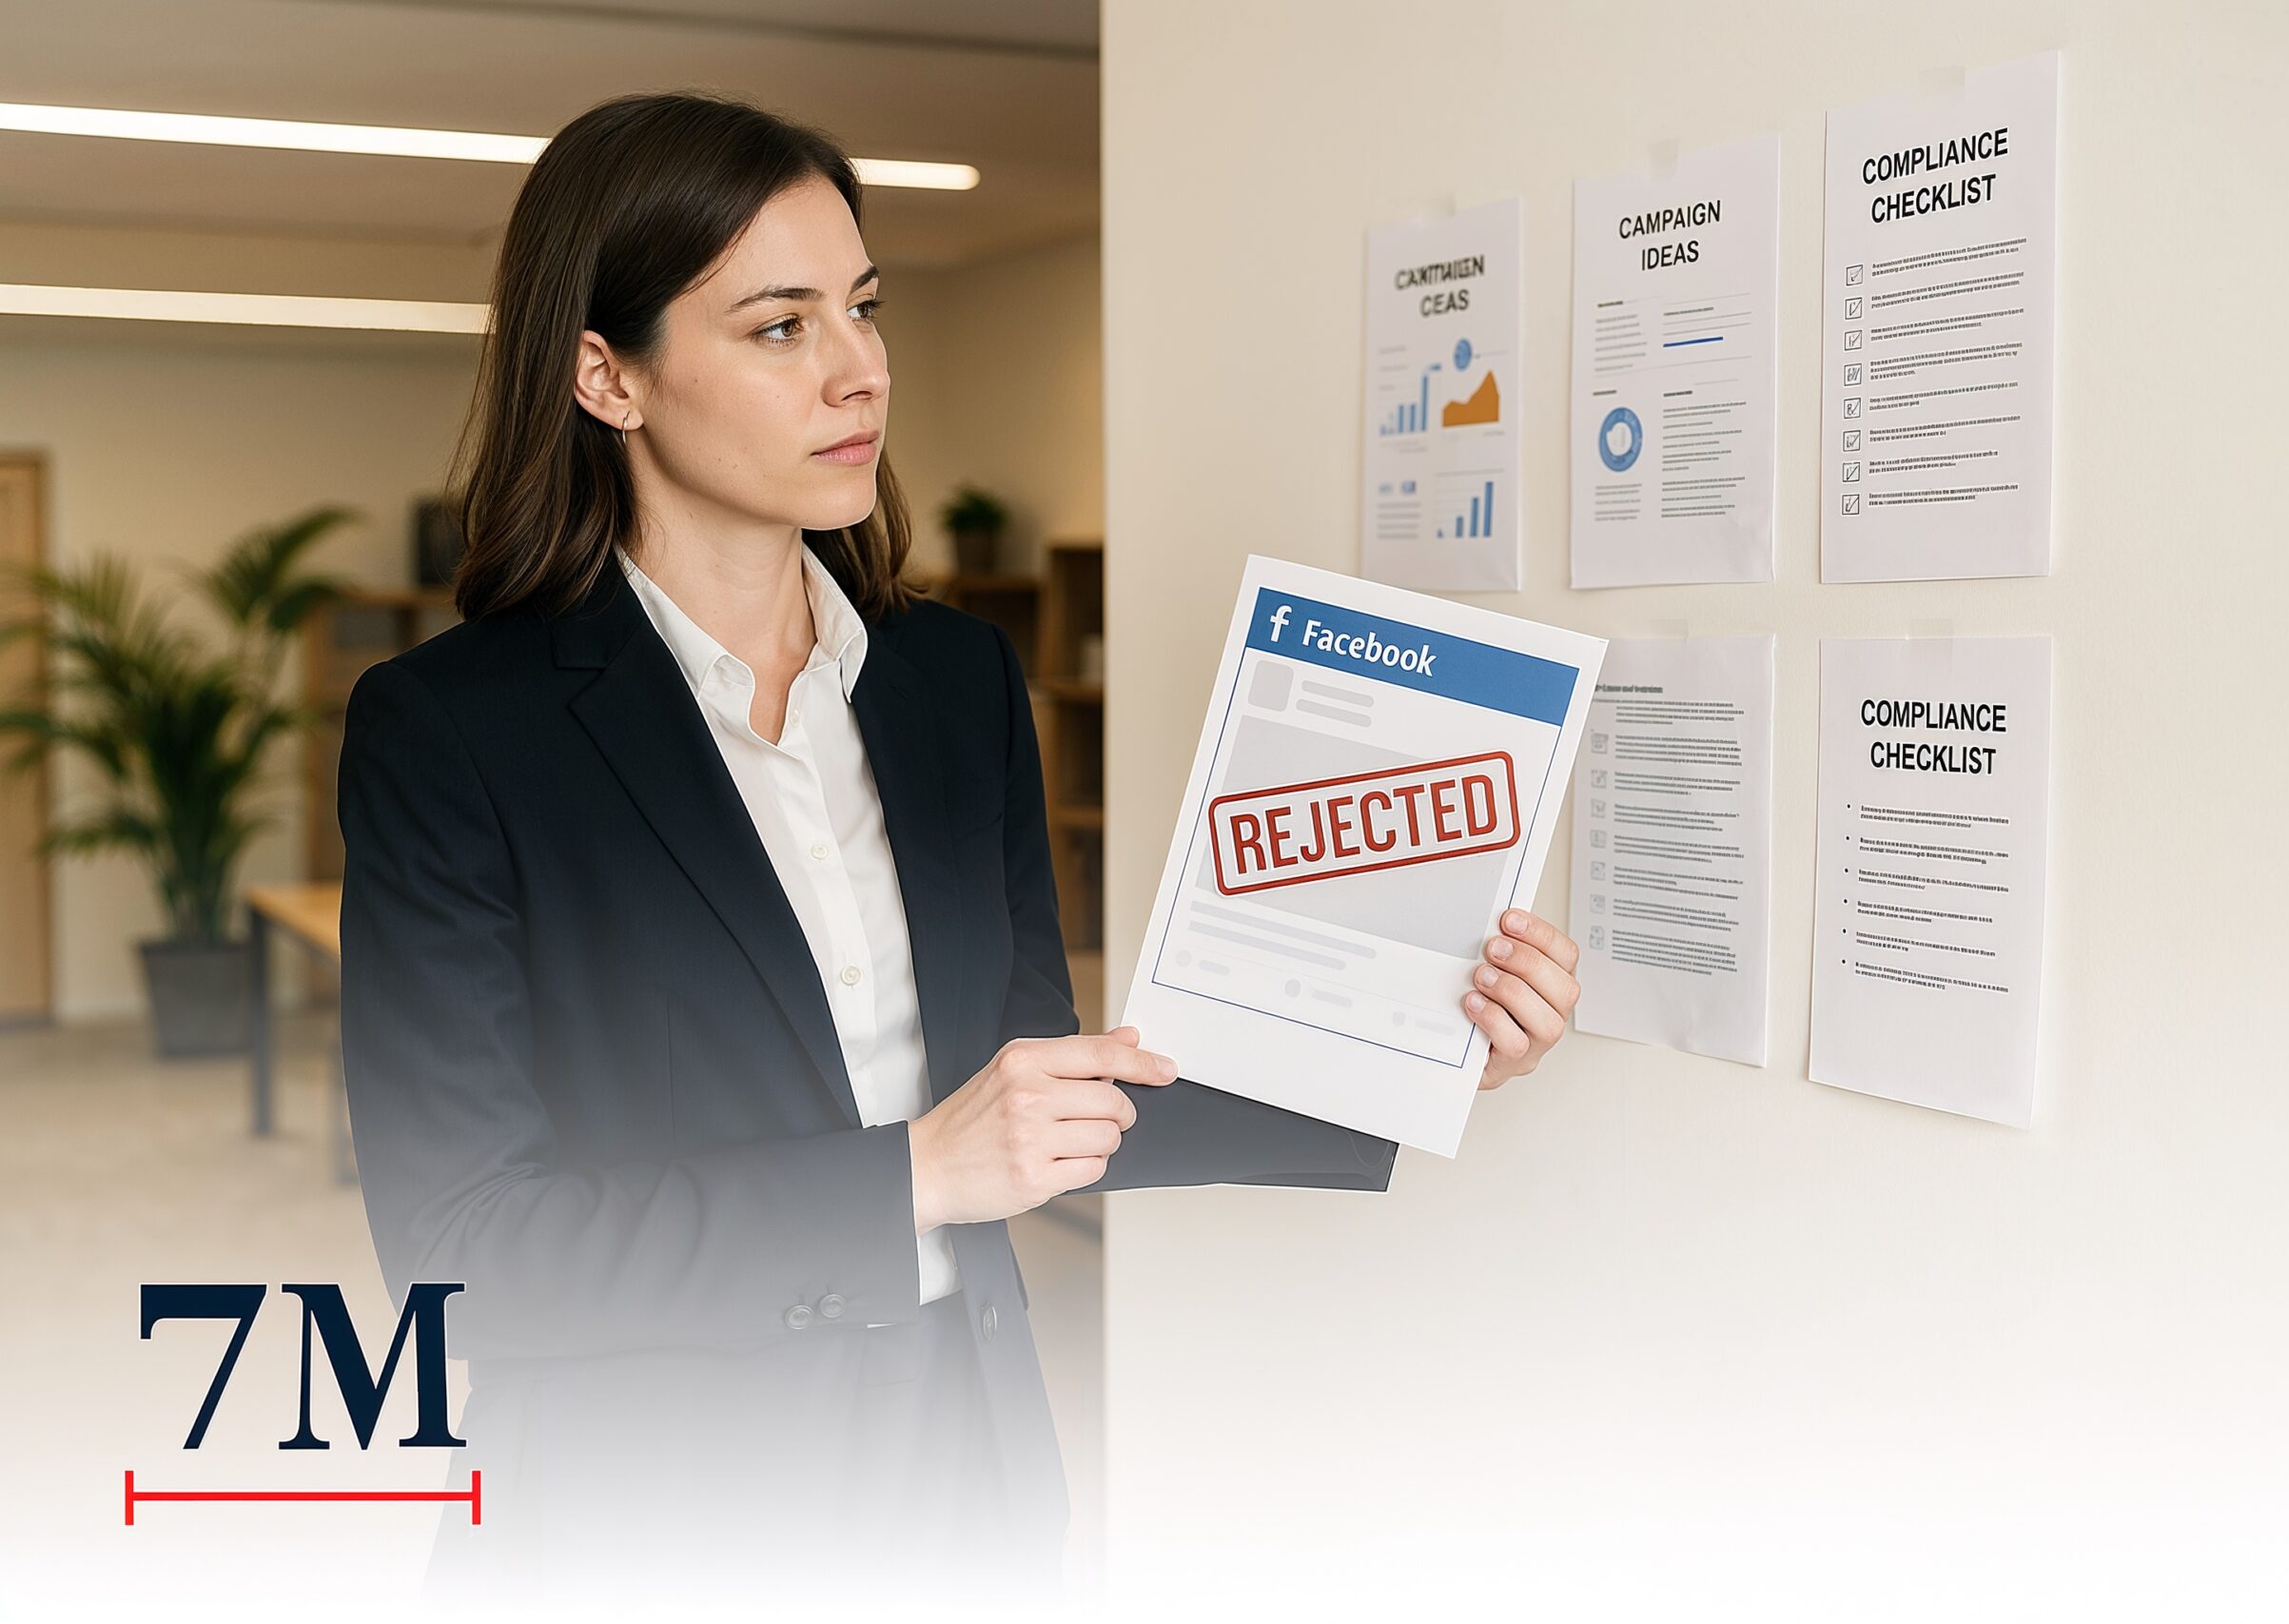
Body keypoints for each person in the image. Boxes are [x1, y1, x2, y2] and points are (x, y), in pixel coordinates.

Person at [335, 90, 1582, 1611]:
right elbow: (466, 1253)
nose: (860, 370)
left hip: (963, 1463)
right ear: (608, 374)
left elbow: (1041, 1087)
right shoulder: (453, 730)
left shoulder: (953, 684)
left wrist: (1420, 1053)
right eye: (778, 327)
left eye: (862, 308)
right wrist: (911, 1175)